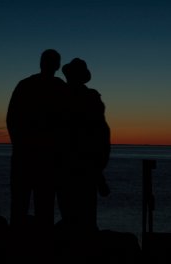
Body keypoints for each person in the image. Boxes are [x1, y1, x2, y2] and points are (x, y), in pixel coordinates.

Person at [6, 49, 67, 260]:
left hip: (30, 157)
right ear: (56, 65)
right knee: (42, 208)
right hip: (44, 159)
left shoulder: (26, 85)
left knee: (24, 206)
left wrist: (21, 145)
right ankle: (40, 251)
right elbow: (67, 125)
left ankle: (20, 248)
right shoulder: (59, 88)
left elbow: (11, 120)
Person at [57, 58, 111, 235]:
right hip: (82, 163)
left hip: (69, 162)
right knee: (85, 213)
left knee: (71, 211)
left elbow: (100, 133)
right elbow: (101, 133)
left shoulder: (63, 96)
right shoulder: (91, 97)